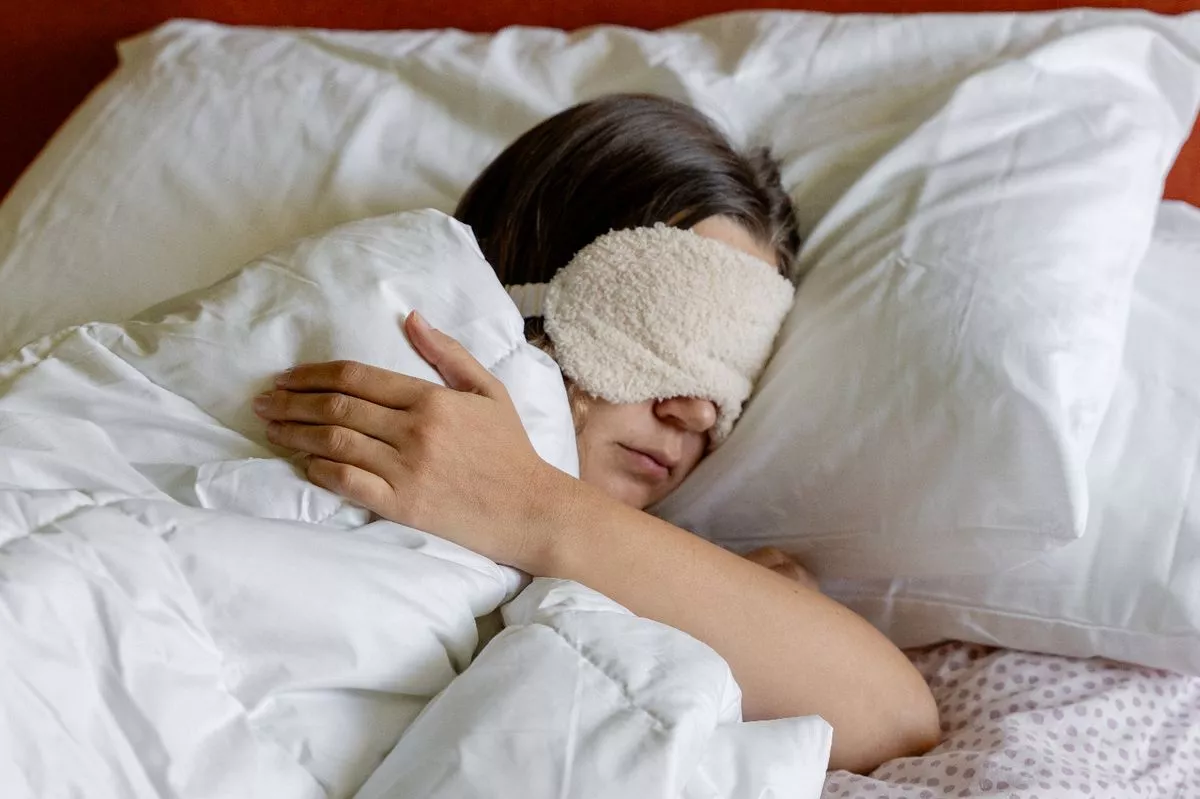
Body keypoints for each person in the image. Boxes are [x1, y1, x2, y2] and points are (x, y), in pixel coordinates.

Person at [252, 94, 940, 774]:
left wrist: (528, 504)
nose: (697, 412)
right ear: (529, 277)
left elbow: (897, 723)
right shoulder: (339, 360)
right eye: (670, 329)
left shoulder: (629, 559)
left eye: (734, 374)